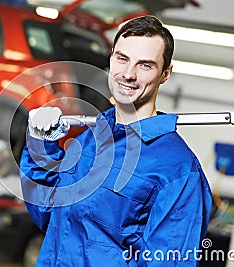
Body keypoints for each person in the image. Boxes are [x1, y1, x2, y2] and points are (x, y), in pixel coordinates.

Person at [20, 15, 212, 266]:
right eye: (122, 59)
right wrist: (41, 143)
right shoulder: (91, 138)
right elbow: (47, 212)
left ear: (165, 74)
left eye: (145, 65)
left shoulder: (178, 170)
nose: (128, 74)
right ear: (111, 58)